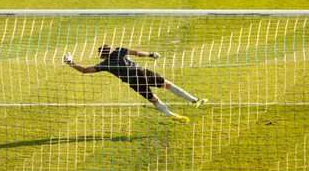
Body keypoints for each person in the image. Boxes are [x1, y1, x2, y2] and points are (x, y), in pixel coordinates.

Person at [63, 44, 207, 123]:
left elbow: (84, 70)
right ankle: (194, 100)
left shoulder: (105, 64)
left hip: (133, 81)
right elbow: (137, 52)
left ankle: (171, 115)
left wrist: (70, 62)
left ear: (101, 55)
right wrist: (151, 54)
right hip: (142, 71)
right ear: (111, 50)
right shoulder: (119, 51)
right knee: (168, 85)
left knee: (154, 99)